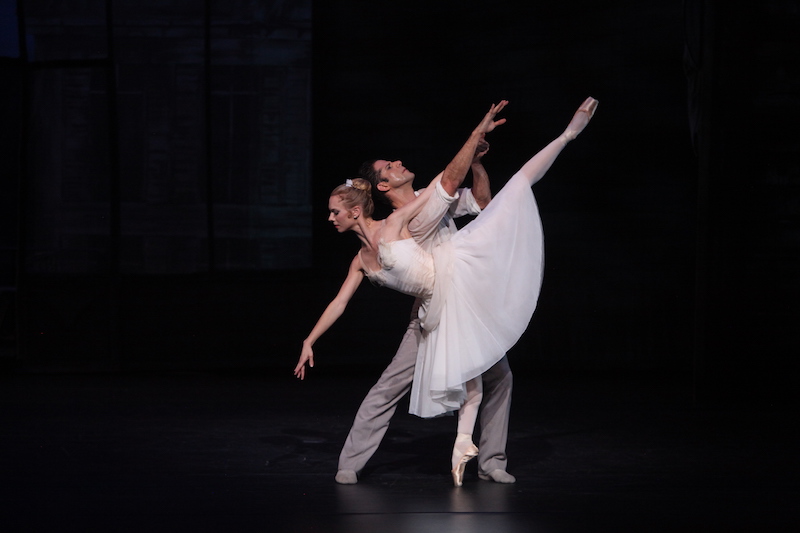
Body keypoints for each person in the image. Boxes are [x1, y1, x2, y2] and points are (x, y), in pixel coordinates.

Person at [295, 97, 598, 485]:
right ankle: (351, 461)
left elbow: (482, 202)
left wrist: (476, 162)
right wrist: (473, 137)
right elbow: (447, 184)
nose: (399, 163)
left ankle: (492, 461)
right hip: (429, 313)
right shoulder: (407, 216)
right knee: (390, 385)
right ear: (382, 184)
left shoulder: (430, 199)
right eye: (389, 167)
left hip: (463, 299)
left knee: (499, 377)